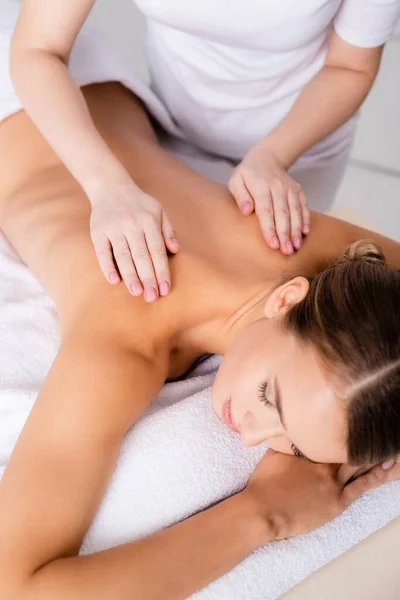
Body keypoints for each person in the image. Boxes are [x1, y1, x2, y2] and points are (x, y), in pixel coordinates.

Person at [0, 79, 399, 599]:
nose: (253, 437)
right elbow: (17, 585)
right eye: (267, 396)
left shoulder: (337, 271)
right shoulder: (125, 340)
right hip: (30, 82)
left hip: (95, 90)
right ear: (287, 301)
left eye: (295, 446)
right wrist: (263, 515)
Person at [10, 0, 400, 301]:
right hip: (174, 121)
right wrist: (107, 187)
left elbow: (350, 67)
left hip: (297, 146)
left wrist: (274, 156)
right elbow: (39, 48)